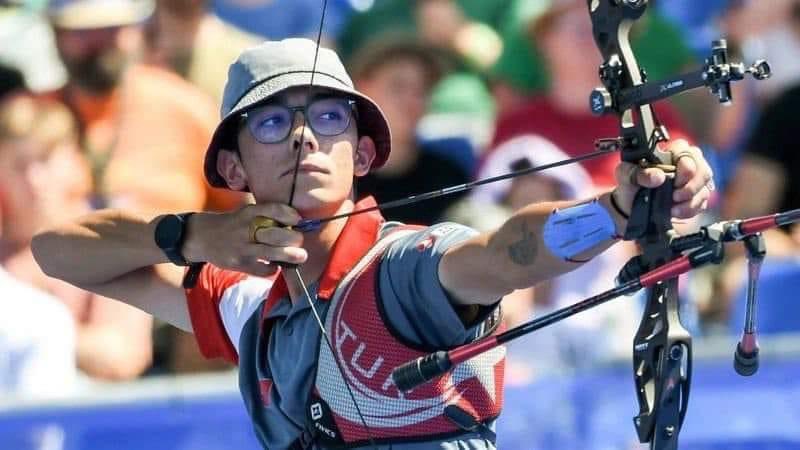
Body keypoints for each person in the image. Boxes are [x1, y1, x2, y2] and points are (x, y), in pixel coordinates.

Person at [31, 38, 713, 449]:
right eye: (271, 123)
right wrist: (195, 232)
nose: (304, 137)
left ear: (361, 154)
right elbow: (57, 253)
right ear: (232, 169)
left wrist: (618, 209)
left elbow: (506, 253)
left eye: (327, 118)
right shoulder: (247, 300)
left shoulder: (408, 267)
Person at [0, 92, 153, 380]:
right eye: (19, 165)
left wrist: (35, 330)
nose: (34, 178)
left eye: (45, 160)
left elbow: (122, 356)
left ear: (74, 160)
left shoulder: (111, 236)